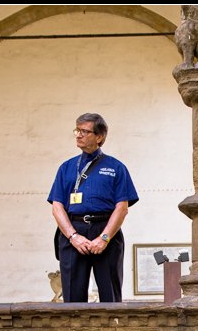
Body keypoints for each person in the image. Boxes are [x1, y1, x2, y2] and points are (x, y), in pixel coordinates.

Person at [48, 113, 139, 303]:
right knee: (72, 296)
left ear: (99, 137)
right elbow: (57, 207)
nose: (78, 135)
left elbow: (122, 208)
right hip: (73, 230)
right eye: (77, 130)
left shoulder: (116, 167)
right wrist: (73, 237)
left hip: (105, 229)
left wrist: (104, 238)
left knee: (110, 295)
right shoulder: (66, 167)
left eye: (85, 131)